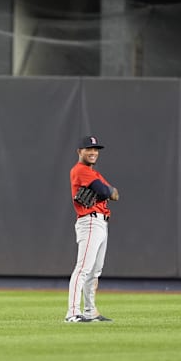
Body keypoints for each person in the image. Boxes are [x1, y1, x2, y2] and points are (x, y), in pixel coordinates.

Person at [65, 136, 119, 323]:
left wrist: (108, 190)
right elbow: (107, 192)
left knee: (95, 271)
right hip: (89, 222)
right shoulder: (80, 170)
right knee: (83, 269)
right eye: (89, 149)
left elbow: (115, 193)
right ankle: (72, 313)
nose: (93, 152)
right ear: (79, 152)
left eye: (96, 149)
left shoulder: (92, 172)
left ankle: (90, 311)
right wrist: (106, 190)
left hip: (101, 222)